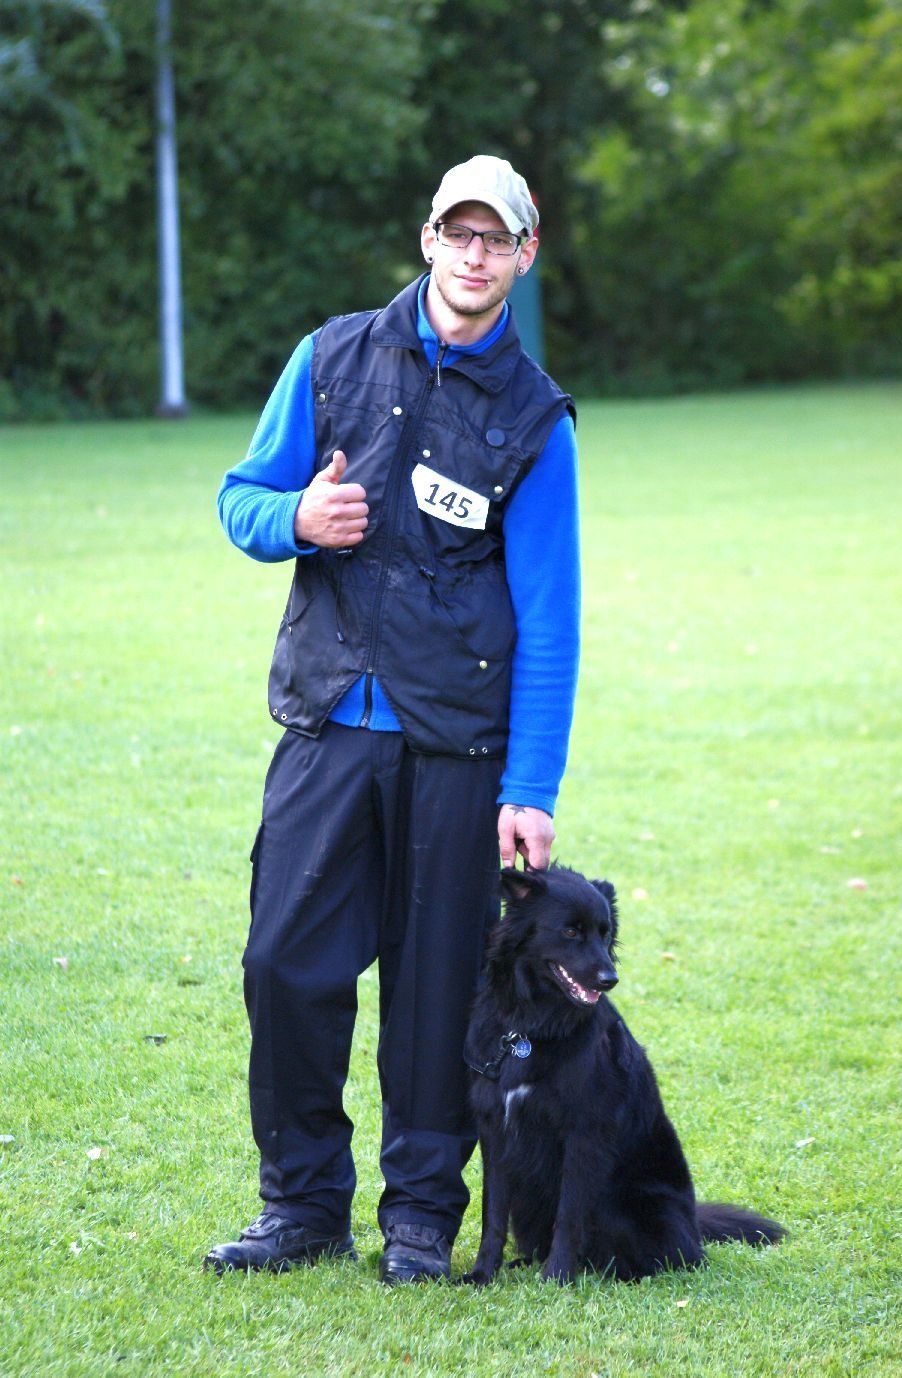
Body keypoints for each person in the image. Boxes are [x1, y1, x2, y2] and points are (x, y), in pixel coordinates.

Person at [205, 155, 581, 1283]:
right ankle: (300, 1206)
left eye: (496, 238)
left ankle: (419, 1217)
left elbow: (550, 619)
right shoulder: (328, 358)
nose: (474, 254)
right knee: (284, 967)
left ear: (524, 255)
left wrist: (531, 787)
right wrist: (297, 517)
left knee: (435, 996)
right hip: (328, 718)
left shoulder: (536, 419)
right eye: (457, 233)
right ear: (427, 239)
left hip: (457, 743)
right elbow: (239, 497)